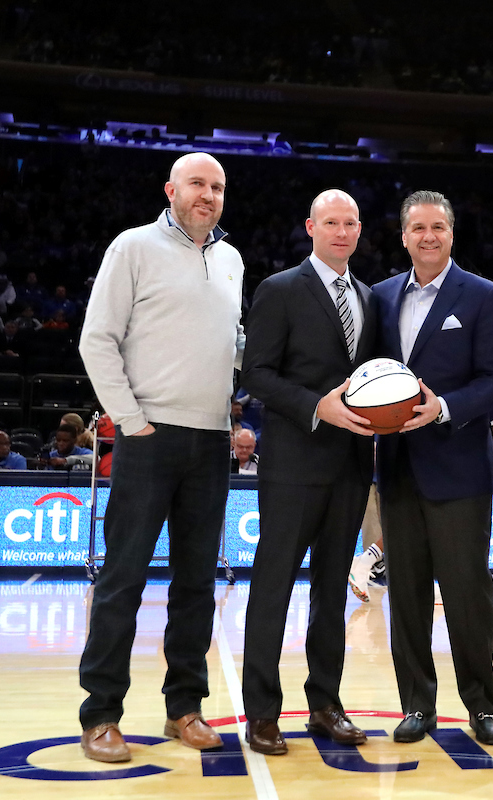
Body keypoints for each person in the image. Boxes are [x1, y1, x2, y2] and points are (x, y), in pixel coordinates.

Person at [76, 152, 244, 761]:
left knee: (197, 584)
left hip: (211, 441)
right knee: (122, 580)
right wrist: (131, 421)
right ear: (171, 188)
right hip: (149, 438)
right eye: (197, 183)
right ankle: (100, 715)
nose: (208, 194)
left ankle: (185, 708)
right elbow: (97, 339)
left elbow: (230, 347)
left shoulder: (230, 259)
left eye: (218, 186)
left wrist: (233, 412)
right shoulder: (133, 246)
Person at [370, 190, 493, 747]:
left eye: (438, 227)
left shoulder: (484, 297)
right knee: (404, 593)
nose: (428, 237)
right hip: (398, 468)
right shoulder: (379, 297)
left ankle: (481, 705)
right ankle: (416, 705)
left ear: (452, 234)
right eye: (417, 228)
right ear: (403, 236)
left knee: (467, 594)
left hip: (458, 468)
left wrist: (444, 409)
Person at [239, 188, 377, 757]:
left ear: (359, 230)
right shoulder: (279, 289)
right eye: (330, 223)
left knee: (330, 593)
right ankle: (263, 713)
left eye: (350, 223)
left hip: (349, 468)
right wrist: (315, 405)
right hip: (293, 466)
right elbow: (257, 375)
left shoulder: (369, 296)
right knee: (272, 589)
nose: (341, 232)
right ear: (311, 227)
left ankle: (325, 703)